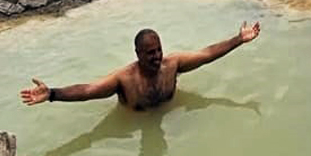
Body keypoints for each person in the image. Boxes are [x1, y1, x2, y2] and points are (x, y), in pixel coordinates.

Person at [19, 22, 261, 111]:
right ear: (138, 54)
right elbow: (88, 91)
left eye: (158, 50)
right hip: (135, 118)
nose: (156, 57)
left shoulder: (172, 64)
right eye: (150, 53)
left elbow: (206, 54)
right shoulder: (124, 79)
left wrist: (238, 39)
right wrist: (52, 94)